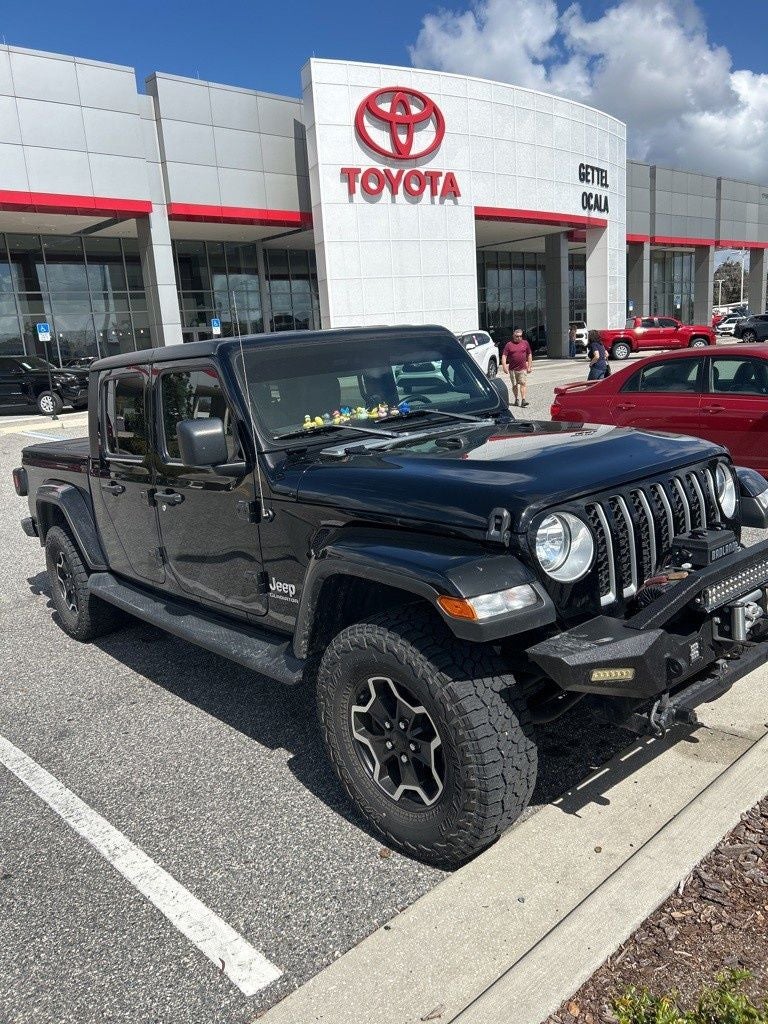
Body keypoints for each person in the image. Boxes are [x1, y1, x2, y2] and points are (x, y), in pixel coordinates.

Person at [501, 328, 533, 407]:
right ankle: (516, 399)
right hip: (512, 369)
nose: (519, 338)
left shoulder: (525, 343)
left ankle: (523, 400)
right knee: (515, 385)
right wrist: (504, 366)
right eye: (517, 336)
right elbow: (504, 356)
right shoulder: (509, 345)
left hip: (522, 369)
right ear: (513, 336)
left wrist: (529, 366)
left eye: (520, 336)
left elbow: (529, 354)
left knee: (523, 383)